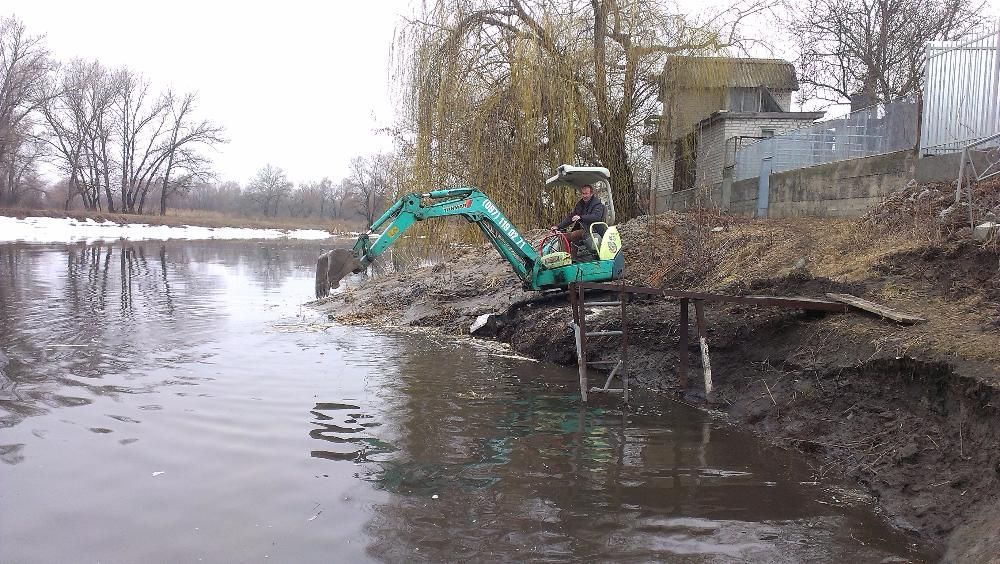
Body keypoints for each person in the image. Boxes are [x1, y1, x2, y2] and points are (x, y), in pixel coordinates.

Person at [550, 184, 606, 257]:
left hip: (593, 229)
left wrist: (581, 217)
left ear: (591, 194)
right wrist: (558, 226)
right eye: (583, 193)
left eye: (586, 193)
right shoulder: (580, 204)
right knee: (563, 237)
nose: (584, 196)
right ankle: (564, 258)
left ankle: (573, 257)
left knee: (575, 234)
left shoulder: (597, 204)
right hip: (583, 229)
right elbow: (571, 218)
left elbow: (596, 217)